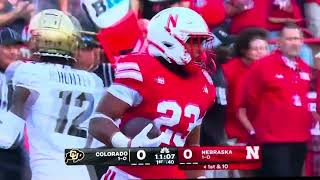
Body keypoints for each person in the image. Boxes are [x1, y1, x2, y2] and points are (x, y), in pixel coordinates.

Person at [89, 7, 216, 179]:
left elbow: (191, 147)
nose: (200, 49)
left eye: (202, 42)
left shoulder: (204, 84)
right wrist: (127, 144)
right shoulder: (142, 69)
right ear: (168, 40)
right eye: (193, 41)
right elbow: (99, 120)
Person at [0, 9, 104, 180]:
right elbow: (99, 143)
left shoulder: (26, 72)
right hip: (83, 173)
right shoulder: (94, 81)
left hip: (47, 173)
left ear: (36, 40)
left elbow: (8, 138)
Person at [240, 23, 313, 177]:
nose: (294, 42)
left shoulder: (306, 68)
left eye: (297, 39)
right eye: (289, 39)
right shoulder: (262, 66)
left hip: (300, 138)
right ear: (279, 42)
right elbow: (250, 100)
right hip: (272, 140)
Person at [223, 28, 270, 146]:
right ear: (244, 50)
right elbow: (239, 110)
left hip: (263, 128)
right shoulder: (229, 70)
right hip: (235, 130)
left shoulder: (270, 68)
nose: (261, 52)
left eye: (264, 49)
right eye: (255, 49)